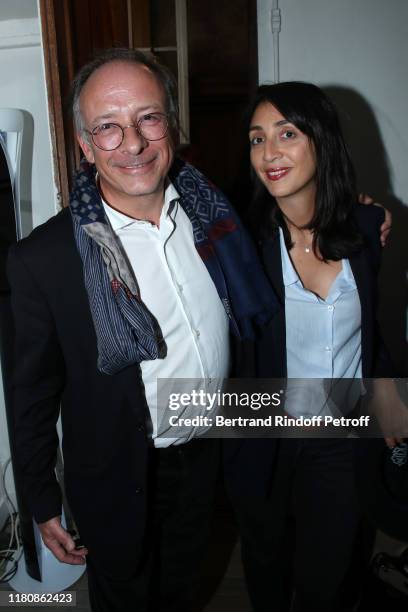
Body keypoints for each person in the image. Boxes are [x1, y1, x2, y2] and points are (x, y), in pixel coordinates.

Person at [6, 48, 279, 612]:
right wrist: (41, 498)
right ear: (84, 145)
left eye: (148, 118)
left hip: (205, 448)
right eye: (107, 127)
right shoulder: (45, 259)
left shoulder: (220, 215)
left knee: (184, 585)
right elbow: (31, 393)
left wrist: (365, 216)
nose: (132, 144)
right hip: (115, 466)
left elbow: (306, 215)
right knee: (124, 593)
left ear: (171, 126)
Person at [224, 82, 398, 612]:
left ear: (321, 141)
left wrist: (388, 387)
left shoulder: (368, 227)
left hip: (344, 436)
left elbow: (376, 324)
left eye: (287, 133)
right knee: (267, 570)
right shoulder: (240, 240)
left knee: (328, 575)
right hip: (264, 432)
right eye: (257, 139)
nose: (268, 153)